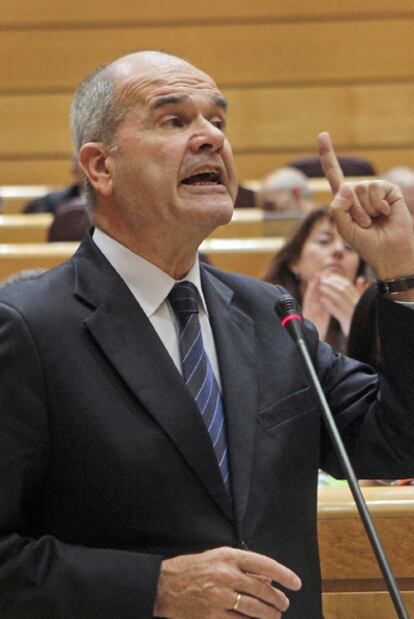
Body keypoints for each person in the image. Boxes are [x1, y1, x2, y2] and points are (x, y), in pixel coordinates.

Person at [0, 51, 414, 619]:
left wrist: (402, 279)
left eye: (218, 121)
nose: (211, 139)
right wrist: (152, 588)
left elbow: (398, 441)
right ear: (100, 167)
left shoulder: (269, 313)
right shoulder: (26, 327)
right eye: (174, 120)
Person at [263, 207, 366, 352]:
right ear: (294, 261)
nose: (338, 250)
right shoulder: (266, 313)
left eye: (349, 247)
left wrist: (358, 330)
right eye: (324, 241)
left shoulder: (376, 317)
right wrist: (309, 337)